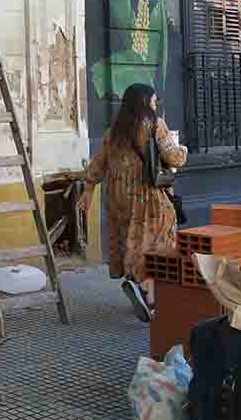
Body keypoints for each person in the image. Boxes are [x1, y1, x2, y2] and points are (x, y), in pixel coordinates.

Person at [77, 83, 188, 323]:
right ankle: (147, 291)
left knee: (133, 239)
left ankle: (143, 288)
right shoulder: (155, 125)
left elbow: (98, 162)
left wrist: (88, 190)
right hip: (146, 195)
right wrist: (182, 149)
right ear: (145, 102)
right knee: (161, 241)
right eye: (154, 101)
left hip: (118, 198)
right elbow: (171, 156)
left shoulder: (114, 131)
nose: (155, 105)